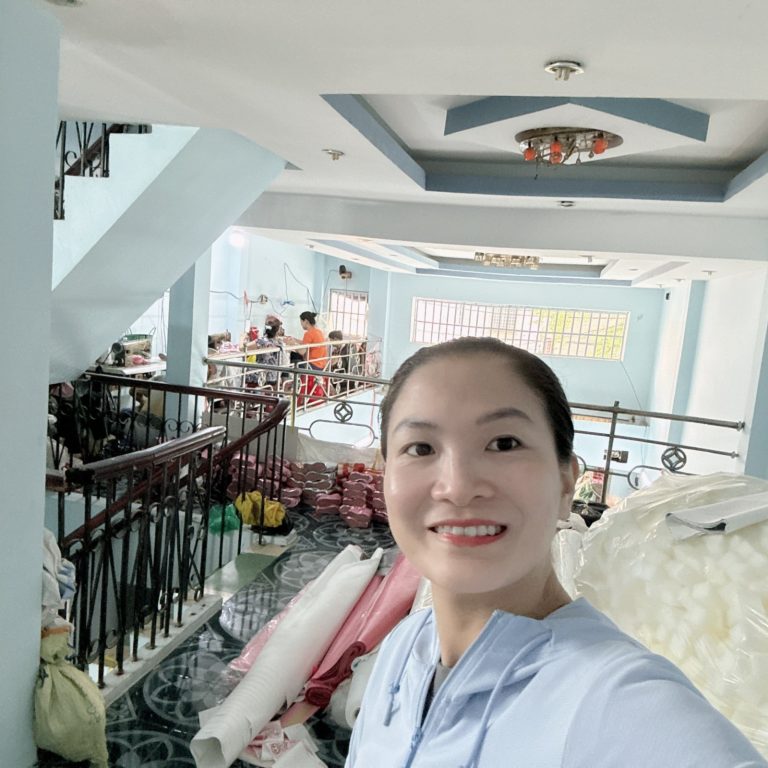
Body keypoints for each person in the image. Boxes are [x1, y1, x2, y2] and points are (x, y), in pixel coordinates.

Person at [346, 337, 766, 768]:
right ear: (386, 477)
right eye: (420, 448)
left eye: (504, 443)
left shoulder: (616, 701)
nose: (457, 487)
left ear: (567, 483)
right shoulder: (403, 650)